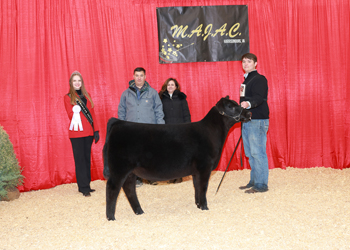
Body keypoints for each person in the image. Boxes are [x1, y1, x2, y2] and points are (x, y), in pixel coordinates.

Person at [118, 67, 165, 186]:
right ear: (133, 76)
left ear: (145, 77)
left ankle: (151, 177)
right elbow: (121, 112)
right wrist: (122, 128)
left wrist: (161, 128)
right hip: (132, 131)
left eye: (141, 75)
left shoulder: (153, 93)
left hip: (149, 130)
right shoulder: (125, 94)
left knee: (150, 154)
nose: (139, 78)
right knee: (134, 156)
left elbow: (159, 111)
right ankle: (137, 179)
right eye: (137, 75)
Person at [64, 71, 100, 197]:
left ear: (82, 82)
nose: (77, 83)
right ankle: (83, 187)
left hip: (89, 133)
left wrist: (96, 130)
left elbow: (92, 114)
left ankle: (86, 185)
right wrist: (75, 111)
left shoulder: (87, 95)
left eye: (79, 80)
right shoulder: (68, 97)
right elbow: (70, 115)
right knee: (80, 160)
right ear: (71, 83)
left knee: (86, 159)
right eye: (74, 81)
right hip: (76, 134)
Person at [238, 53, 269, 193]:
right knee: (250, 153)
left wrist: (248, 103)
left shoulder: (259, 79)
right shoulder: (246, 81)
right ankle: (254, 180)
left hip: (257, 119)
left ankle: (261, 184)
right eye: (244, 62)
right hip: (248, 120)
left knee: (258, 152)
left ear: (255, 63)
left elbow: (259, 98)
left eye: (249, 61)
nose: (246, 64)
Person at [159, 78, 191, 183]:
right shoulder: (161, 98)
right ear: (166, 87)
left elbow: (186, 113)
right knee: (168, 154)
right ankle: (170, 176)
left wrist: (187, 128)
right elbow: (159, 114)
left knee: (179, 154)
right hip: (167, 130)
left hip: (180, 130)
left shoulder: (181, 98)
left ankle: (179, 176)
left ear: (176, 86)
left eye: (172, 85)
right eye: (168, 85)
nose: (170, 86)